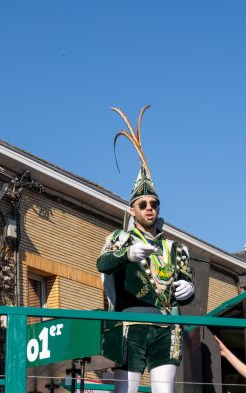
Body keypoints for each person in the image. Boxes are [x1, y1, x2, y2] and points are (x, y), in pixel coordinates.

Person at [97, 106, 195, 393]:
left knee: (164, 391)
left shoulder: (174, 246)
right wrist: (125, 254)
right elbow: (102, 263)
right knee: (125, 391)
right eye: (143, 204)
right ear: (132, 209)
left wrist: (188, 287)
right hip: (131, 323)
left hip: (166, 326)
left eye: (154, 204)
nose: (149, 209)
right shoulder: (121, 237)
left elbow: (185, 278)